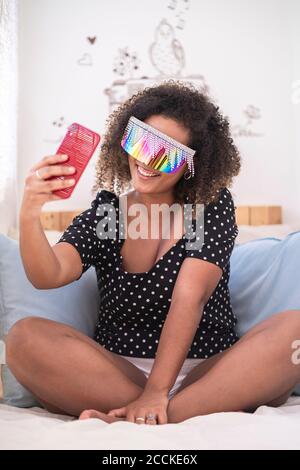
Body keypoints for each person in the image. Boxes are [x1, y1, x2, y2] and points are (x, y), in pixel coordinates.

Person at [6, 81, 300, 425]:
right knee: (23, 338)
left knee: (295, 328)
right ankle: (164, 413)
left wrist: (158, 392)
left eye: (167, 153)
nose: (147, 160)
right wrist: (30, 212)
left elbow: (189, 297)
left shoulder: (211, 208)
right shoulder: (109, 216)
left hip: (208, 372)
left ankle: (147, 415)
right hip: (118, 373)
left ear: (193, 165)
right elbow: (49, 275)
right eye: (139, 141)